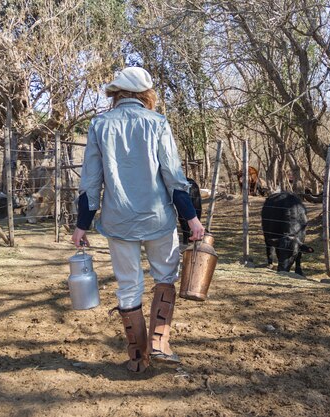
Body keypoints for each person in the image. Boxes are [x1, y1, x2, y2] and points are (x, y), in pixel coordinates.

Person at [71, 67, 204, 373]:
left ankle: (136, 358)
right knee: (164, 278)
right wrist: (192, 219)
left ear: (116, 93)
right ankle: (159, 342)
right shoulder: (157, 123)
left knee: (128, 286)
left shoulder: (99, 125)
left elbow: (90, 182)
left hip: (118, 222)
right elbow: (174, 178)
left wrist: (81, 224)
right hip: (158, 219)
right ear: (146, 94)